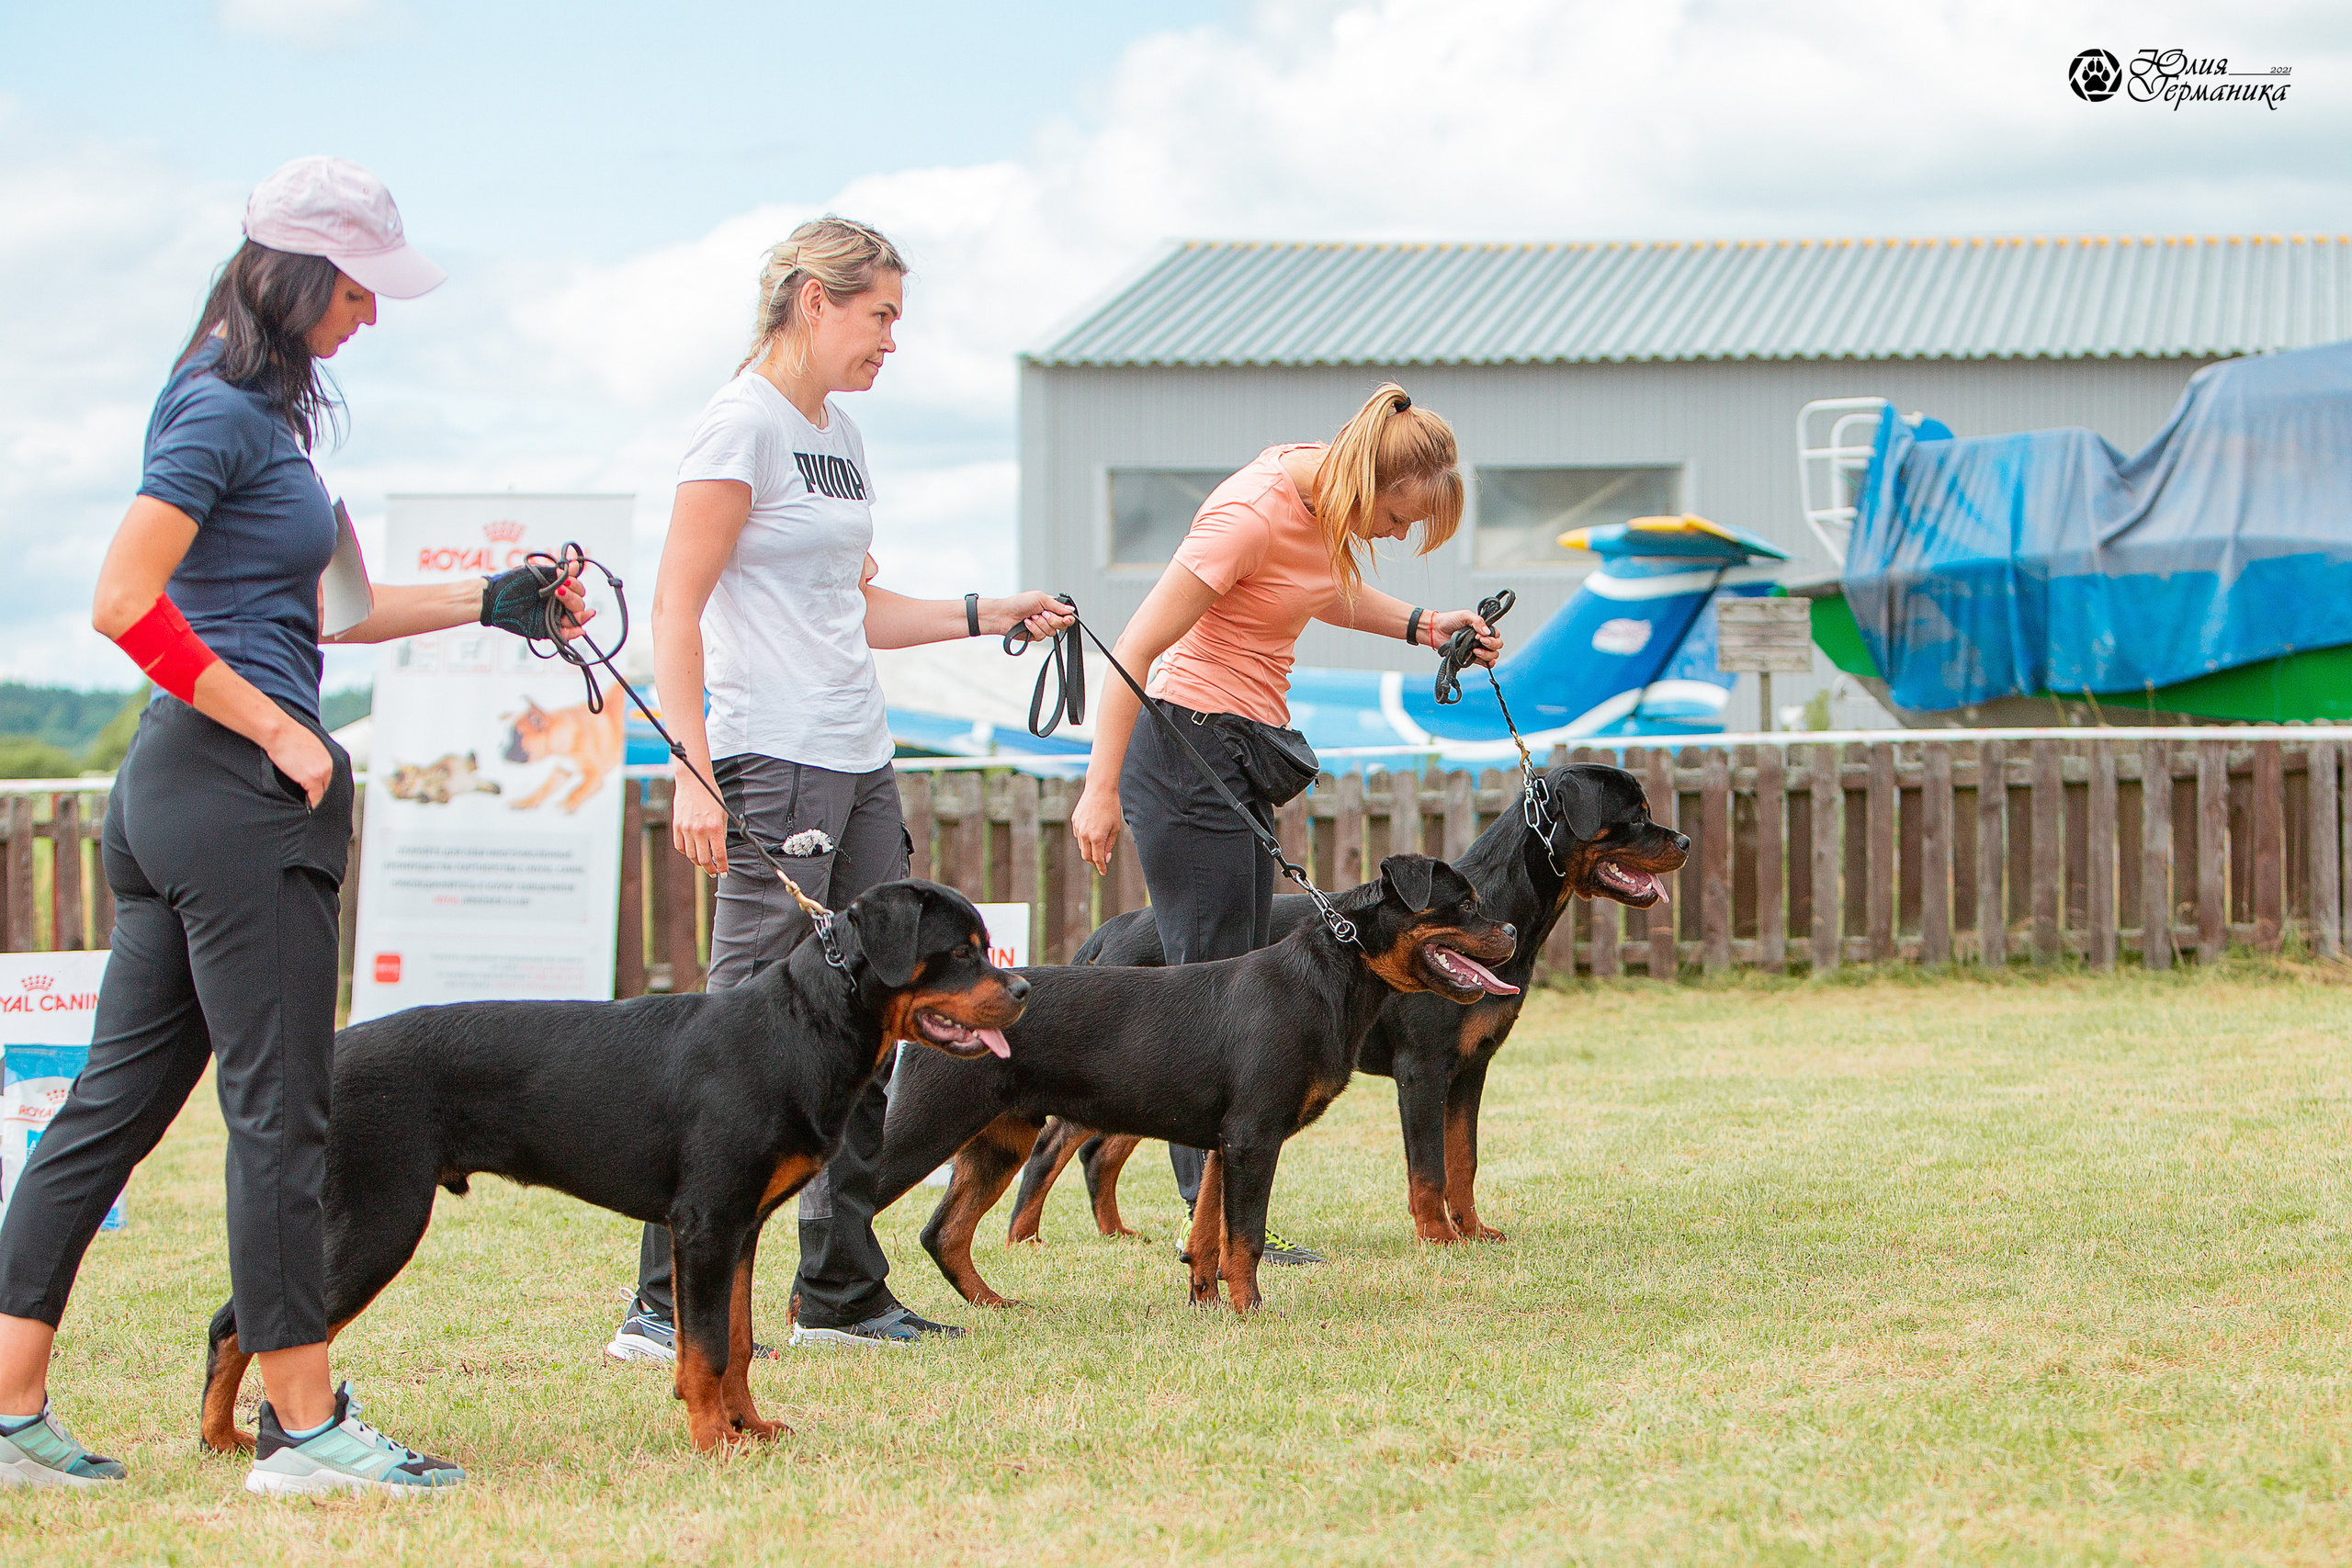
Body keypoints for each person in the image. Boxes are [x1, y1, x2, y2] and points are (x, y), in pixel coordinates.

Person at [0, 156, 590, 1495]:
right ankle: (308, 1429)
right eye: (362, 290)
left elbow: (336, 608)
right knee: (284, 1116)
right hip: (234, 795)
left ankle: (8, 1409)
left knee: (110, 1109)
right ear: (298, 273)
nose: (373, 317)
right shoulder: (214, 415)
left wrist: (490, 600)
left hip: (172, 798)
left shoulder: (259, 425)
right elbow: (120, 597)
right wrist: (276, 731)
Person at [604, 216, 1071, 1362]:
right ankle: (664, 1307)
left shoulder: (841, 434)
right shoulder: (738, 424)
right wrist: (695, 773)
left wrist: (986, 612)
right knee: (742, 1039)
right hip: (771, 756)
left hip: (860, 760)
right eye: (880, 316)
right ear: (814, 299)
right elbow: (674, 608)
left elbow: (857, 610)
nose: (891, 341)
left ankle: (838, 1292)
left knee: (870, 1028)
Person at [1068, 385, 1501, 1258]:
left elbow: (1316, 593)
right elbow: (1134, 645)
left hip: (1242, 746)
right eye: (1395, 516)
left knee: (1235, 975)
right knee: (1211, 991)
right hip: (1185, 747)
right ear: (1367, 476)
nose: (1392, 536)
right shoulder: (1251, 514)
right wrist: (1098, 787)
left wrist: (1423, 625)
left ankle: (1222, 1217)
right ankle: (1217, 1228)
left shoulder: (1323, 501)